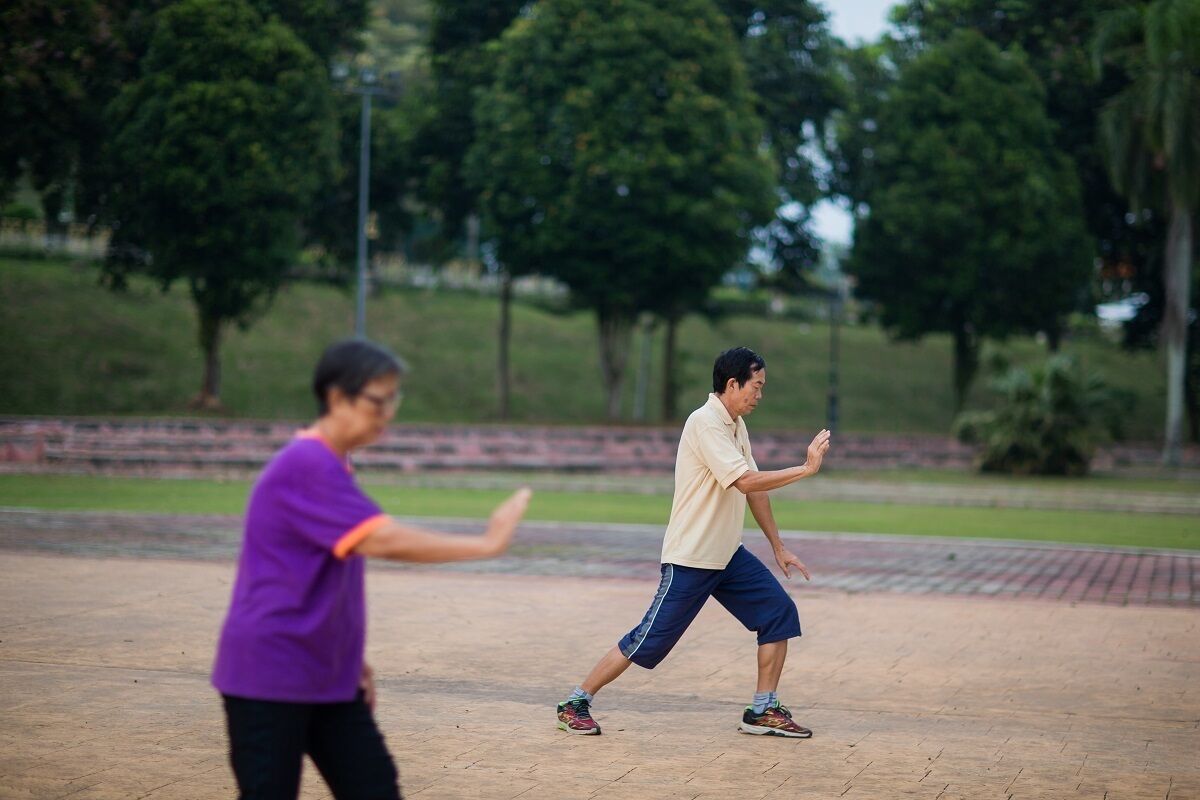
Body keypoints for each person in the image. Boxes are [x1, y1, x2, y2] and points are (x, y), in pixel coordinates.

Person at [212, 338, 531, 799]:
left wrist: (349, 659)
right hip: (269, 673)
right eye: (378, 401)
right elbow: (379, 538)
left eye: (393, 400)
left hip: (325, 672)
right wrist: (486, 543)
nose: (388, 413)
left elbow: (315, 575)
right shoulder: (305, 463)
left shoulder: (335, 464)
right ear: (337, 397)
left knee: (374, 787)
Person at [556, 346, 831, 738]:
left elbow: (755, 493)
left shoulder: (735, 425)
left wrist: (777, 546)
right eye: (756, 386)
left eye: (762, 387)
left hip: (727, 556)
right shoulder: (704, 423)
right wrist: (804, 469)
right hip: (692, 557)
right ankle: (575, 702)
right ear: (732, 383)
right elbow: (745, 481)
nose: (760, 394)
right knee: (646, 640)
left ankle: (762, 709)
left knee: (778, 614)